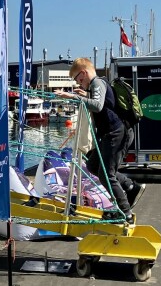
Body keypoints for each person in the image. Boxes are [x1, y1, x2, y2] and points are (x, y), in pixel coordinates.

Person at [55, 58, 145, 221]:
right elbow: (100, 101)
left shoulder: (98, 83)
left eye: (78, 79)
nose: (78, 83)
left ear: (83, 73)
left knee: (106, 175)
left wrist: (72, 96)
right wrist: (86, 94)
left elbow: (97, 105)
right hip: (108, 134)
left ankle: (125, 212)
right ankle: (130, 186)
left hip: (115, 133)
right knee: (93, 164)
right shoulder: (96, 85)